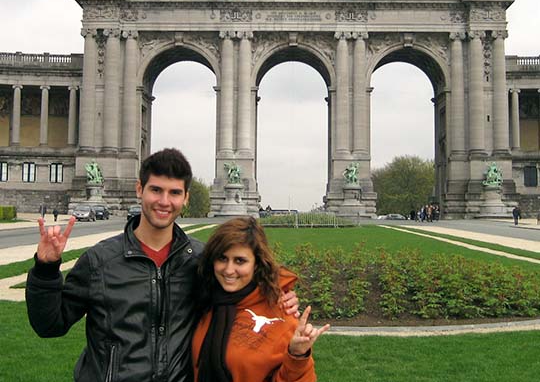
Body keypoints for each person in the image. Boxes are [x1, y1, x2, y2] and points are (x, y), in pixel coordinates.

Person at [26, 148, 298, 382]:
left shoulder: (200, 261)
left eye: (174, 192)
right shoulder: (100, 261)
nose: (164, 202)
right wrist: (46, 269)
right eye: (156, 190)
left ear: (186, 197)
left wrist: (280, 296)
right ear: (139, 189)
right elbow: (50, 325)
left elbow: (241, 295)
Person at [192, 217, 329, 382]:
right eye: (222, 258)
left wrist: (297, 356)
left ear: (257, 264)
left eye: (240, 261)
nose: (229, 270)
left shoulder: (282, 313)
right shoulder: (204, 299)